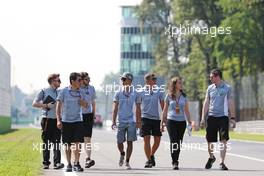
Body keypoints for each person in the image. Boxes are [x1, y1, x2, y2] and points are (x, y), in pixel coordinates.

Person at [200, 68, 236, 170]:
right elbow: (206, 103)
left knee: (223, 140)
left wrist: (232, 117)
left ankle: (222, 162)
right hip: (211, 117)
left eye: (211, 77)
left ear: (217, 76)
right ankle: (211, 157)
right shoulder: (210, 88)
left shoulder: (227, 88)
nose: (210, 79)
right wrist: (203, 118)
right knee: (210, 140)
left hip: (223, 117)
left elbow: (230, 102)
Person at [56, 72, 88, 172]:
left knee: (78, 143)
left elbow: (86, 105)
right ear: (72, 81)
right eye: (79, 80)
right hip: (66, 121)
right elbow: (58, 106)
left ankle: (77, 163)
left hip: (78, 120)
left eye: (81, 80)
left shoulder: (81, 92)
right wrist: (58, 119)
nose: (81, 82)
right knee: (67, 144)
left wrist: (82, 102)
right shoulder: (64, 91)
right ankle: (69, 164)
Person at [32, 73, 64, 170]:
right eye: (58, 80)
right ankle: (46, 163)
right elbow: (34, 103)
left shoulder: (60, 92)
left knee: (57, 142)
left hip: (57, 120)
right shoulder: (43, 91)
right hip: (47, 120)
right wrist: (46, 105)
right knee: (46, 142)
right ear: (52, 81)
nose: (60, 82)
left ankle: (57, 163)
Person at [161, 77, 192, 170]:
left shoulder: (184, 96)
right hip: (171, 121)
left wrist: (189, 122)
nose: (181, 84)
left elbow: (186, 110)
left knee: (179, 142)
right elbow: (165, 110)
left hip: (181, 122)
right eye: (179, 83)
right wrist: (161, 122)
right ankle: (175, 162)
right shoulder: (169, 96)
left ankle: (176, 159)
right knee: (173, 140)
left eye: (181, 83)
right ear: (174, 85)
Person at [111, 72, 141, 170]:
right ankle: (122, 153)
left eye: (124, 79)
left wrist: (138, 122)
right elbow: (115, 108)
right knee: (119, 142)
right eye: (122, 79)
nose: (122, 81)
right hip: (121, 121)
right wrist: (113, 121)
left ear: (130, 81)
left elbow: (138, 108)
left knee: (130, 142)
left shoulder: (135, 92)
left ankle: (127, 162)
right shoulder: (118, 92)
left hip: (132, 121)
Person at [138, 73, 164, 168]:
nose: (155, 80)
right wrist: (138, 120)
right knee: (147, 139)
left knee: (157, 140)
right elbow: (137, 107)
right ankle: (148, 160)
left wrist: (164, 119)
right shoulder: (141, 91)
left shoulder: (159, 91)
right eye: (154, 79)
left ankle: (151, 155)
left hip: (156, 119)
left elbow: (163, 105)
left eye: (155, 79)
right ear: (147, 81)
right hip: (145, 118)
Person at [80, 72, 96, 168]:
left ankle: (88, 158)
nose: (89, 80)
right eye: (87, 79)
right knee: (77, 139)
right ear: (81, 80)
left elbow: (93, 102)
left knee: (88, 139)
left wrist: (93, 114)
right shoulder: (76, 88)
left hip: (88, 116)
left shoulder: (92, 88)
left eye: (89, 78)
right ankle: (75, 160)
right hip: (78, 116)